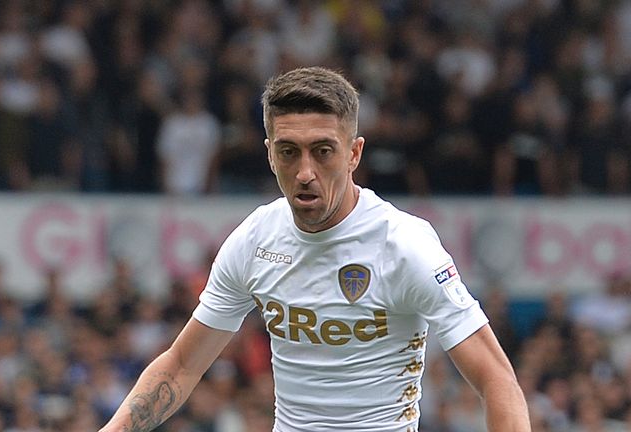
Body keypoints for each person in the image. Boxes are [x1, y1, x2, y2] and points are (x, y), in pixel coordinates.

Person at [100, 66, 530, 431]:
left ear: (354, 154)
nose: (305, 172)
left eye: (323, 151)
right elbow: (181, 366)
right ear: (270, 155)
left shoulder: (404, 245)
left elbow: (496, 379)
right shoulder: (254, 240)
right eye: (289, 152)